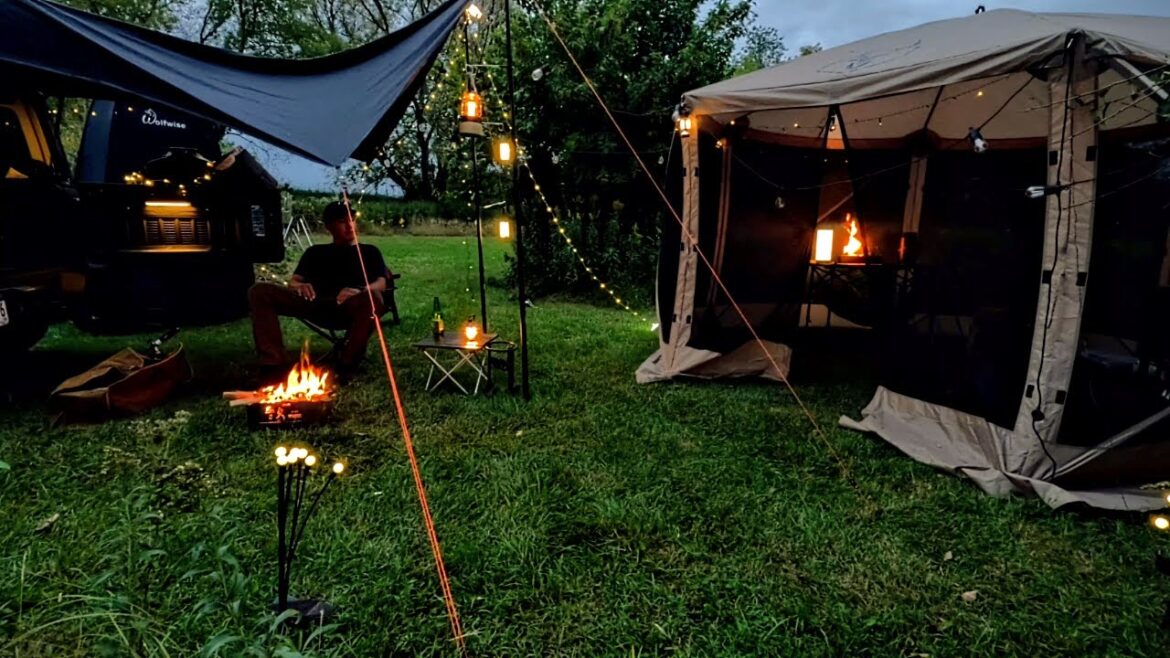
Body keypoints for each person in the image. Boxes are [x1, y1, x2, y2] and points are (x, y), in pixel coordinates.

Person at [249, 201, 387, 377]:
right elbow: (293, 282)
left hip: (349, 306)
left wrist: (360, 290)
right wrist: (300, 286)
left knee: (373, 297)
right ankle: (272, 363)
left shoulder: (369, 251)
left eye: (352, 220)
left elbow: (381, 283)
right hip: (314, 303)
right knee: (260, 291)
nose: (350, 225)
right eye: (342, 221)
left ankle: (347, 363)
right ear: (329, 226)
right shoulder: (315, 252)